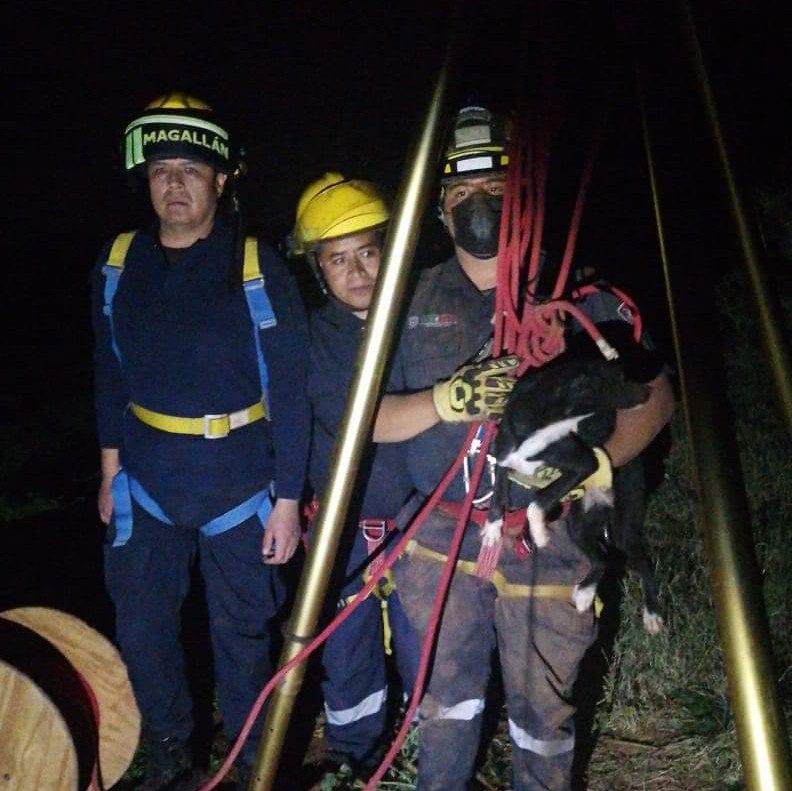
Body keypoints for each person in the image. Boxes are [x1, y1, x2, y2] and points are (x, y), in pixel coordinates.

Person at [391, 105, 675, 790]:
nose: (476, 206)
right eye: (459, 195)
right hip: (440, 538)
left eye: (492, 188)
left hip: (548, 539)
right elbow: (365, 417)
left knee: (542, 710)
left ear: (521, 195)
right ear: (438, 210)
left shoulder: (578, 287)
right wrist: (441, 400)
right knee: (442, 697)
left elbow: (656, 394)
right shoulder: (411, 295)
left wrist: (599, 463)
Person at [92, 92, 310, 791]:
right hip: (147, 480)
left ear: (221, 179)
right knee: (143, 629)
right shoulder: (119, 263)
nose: (175, 183)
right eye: (161, 169)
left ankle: (252, 760)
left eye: (191, 169)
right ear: (145, 180)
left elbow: (295, 392)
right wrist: (108, 470)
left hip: (239, 485)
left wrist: (286, 500)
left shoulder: (256, 266)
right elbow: (108, 373)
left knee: (242, 636)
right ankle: (167, 749)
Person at [293, 172, 519, 778]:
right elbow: (356, 421)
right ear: (318, 270)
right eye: (338, 260)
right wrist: (449, 399)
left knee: (429, 644)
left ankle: (427, 749)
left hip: (420, 517)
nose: (358, 271)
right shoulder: (318, 338)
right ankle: (355, 758)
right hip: (346, 524)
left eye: (369, 252)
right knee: (349, 652)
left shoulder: (416, 313)